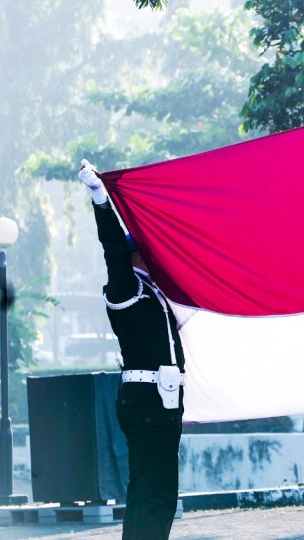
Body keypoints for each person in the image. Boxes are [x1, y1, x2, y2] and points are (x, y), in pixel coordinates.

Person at [78, 159, 185, 540]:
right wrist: (100, 199)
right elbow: (112, 246)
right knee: (156, 493)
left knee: (148, 489)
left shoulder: (154, 292)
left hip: (161, 400)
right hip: (149, 401)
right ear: (139, 256)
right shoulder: (127, 288)